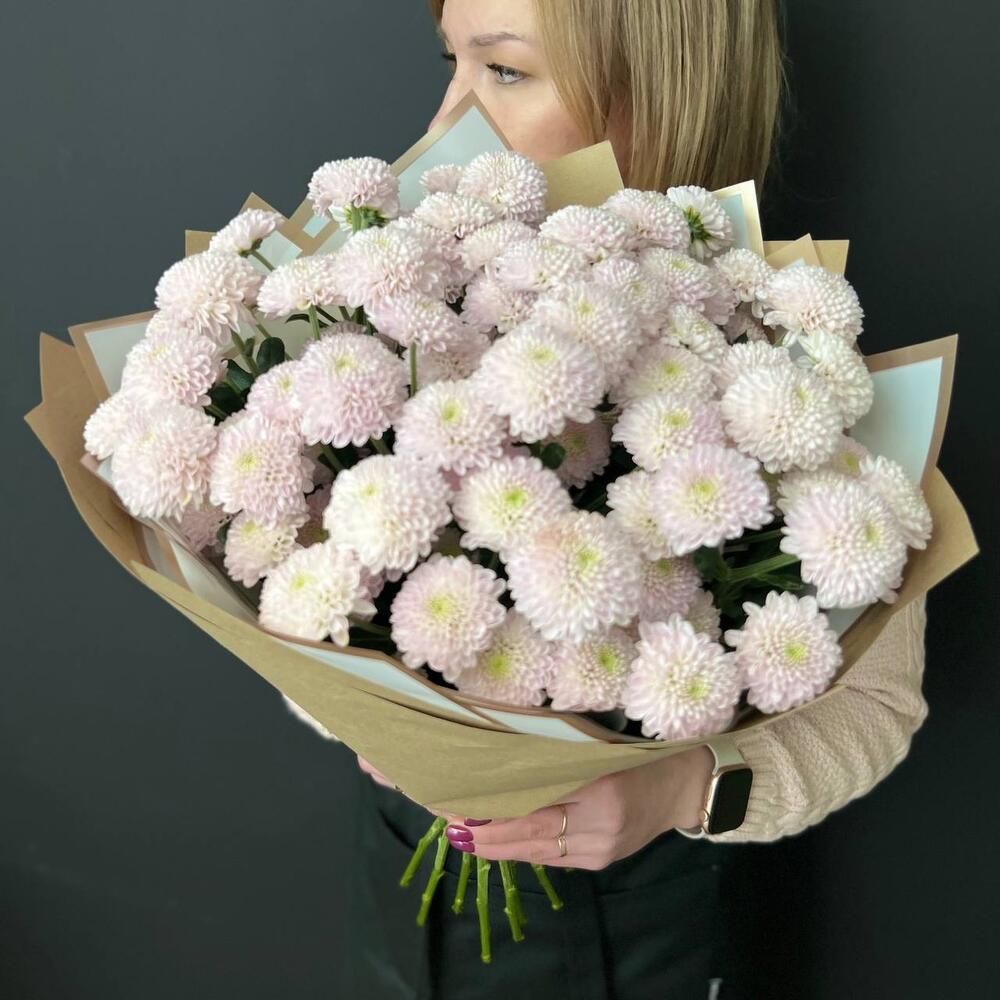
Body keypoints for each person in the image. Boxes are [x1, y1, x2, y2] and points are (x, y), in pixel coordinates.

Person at [288, 0, 932, 995]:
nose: (445, 119)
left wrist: (680, 789)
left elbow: (877, 709)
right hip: (399, 886)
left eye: (504, 71)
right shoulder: (407, 310)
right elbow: (283, 573)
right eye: (450, 63)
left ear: (658, 93)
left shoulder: (789, 370)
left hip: (632, 934)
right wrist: (365, 714)